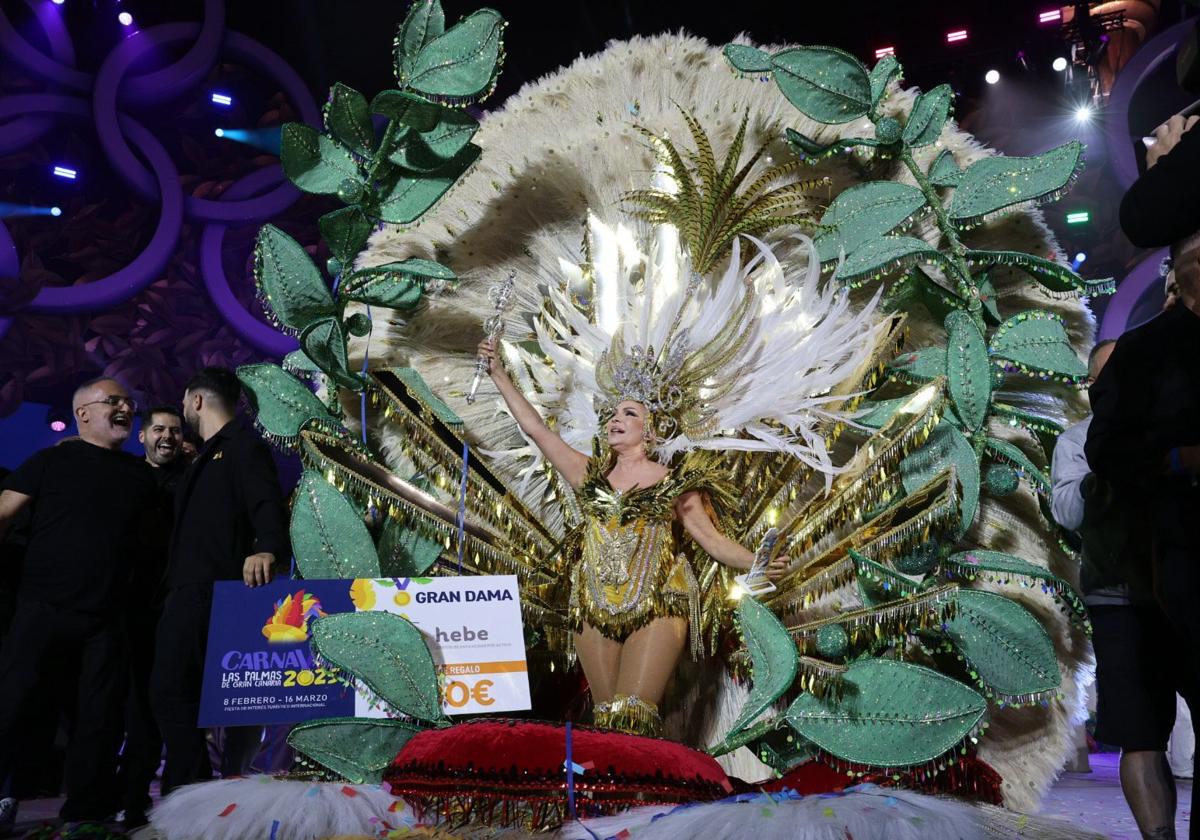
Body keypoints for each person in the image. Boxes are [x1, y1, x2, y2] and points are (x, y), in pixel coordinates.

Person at [476, 338, 787, 736]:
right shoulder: (586, 473)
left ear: (650, 430)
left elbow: (711, 541)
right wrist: (498, 373)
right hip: (592, 604)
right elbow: (536, 429)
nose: (614, 419)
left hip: (657, 602)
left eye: (628, 412)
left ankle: (648, 798)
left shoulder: (676, 484)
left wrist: (755, 562)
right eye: (610, 414)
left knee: (634, 715)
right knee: (607, 724)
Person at [1090, 112, 1200, 840]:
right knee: (1140, 733)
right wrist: (1176, 462)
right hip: (1131, 578)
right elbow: (1102, 462)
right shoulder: (1145, 355)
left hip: (1166, 569)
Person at [0, 379, 156, 831]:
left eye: (129, 401)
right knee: (12, 706)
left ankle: (84, 813)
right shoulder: (53, 459)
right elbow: (4, 513)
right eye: (114, 401)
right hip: (42, 609)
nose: (126, 407)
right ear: (83, 413)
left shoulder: (137, 474)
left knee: (100, 719)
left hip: (105, 618)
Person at [1053, 340, 1180, 838]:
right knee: (1140, 736)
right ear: (1090, 388)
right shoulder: (1077, 442)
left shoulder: (1170, 431)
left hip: (1181, 597)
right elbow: (1067, 513)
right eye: (1106, 380)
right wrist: (1104, 471)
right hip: (1120, 603)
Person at [150, 368, 289, 795]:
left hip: (210, 589)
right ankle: (187, 787)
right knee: (178, 692)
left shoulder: (243, 446)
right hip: (184, 587)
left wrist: (267, 546)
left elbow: (266, 503)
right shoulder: (205, 455)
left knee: (171, 690)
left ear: (196, 400)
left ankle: (191, 789)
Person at [116, 405, 190, 828]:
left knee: (169, 704)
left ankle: (176, 800)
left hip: (176, 604)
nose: (167, 436)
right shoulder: (125, 475)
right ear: (142, 436)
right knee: (135, 706)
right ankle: (129, 797)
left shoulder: (192, 477)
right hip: (131, 604)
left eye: (175, 430)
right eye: (159, 429)